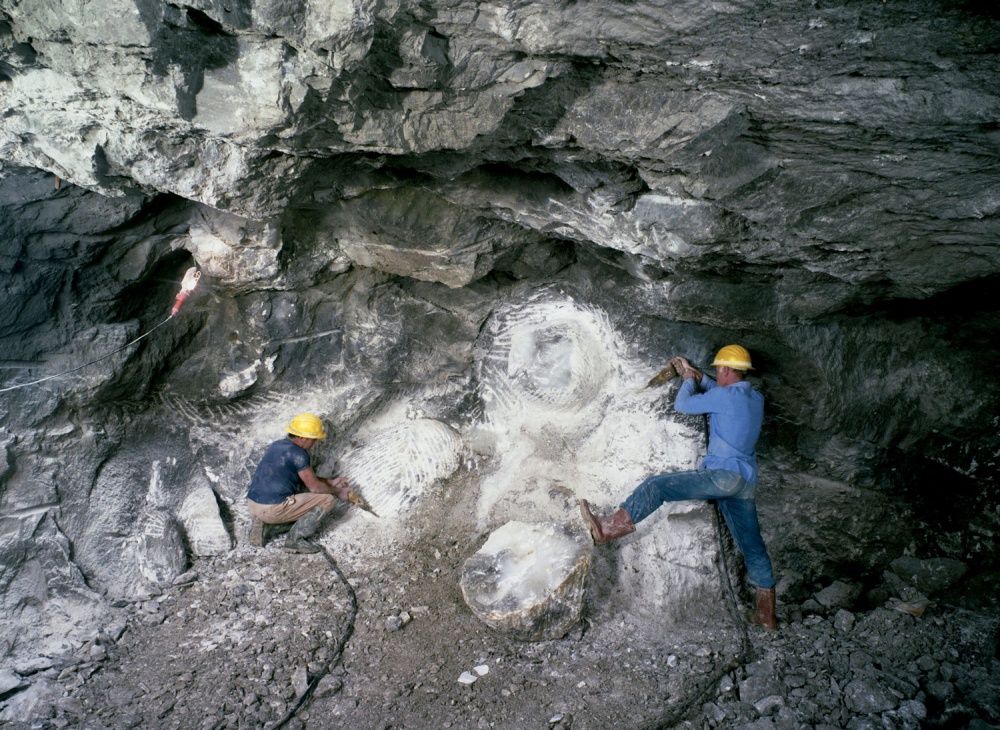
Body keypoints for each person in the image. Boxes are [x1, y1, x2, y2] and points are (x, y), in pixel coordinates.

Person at [579, 345, 778, 631]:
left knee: (657, 487)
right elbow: (720, 395)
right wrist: (700, 377)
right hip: (744, 482)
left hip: (722, 477)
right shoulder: (754, 398)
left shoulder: (721, 396)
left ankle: (608, 528)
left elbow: (683, 405)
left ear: (723, 369)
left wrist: (687, 380)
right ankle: (766, 616)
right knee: (753, 547)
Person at [246, 413, 352, 554]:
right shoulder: (299, 454)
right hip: (271, 509)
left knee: (302, 504)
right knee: (326, 500)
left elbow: (306, 478)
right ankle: (295, 541)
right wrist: (339, 492)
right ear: (302, 437)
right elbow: (315, 488)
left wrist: (331, 481)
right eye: (313, 439)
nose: (315, 443)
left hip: (253, 505)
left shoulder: (278, 445)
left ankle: (266, 528)